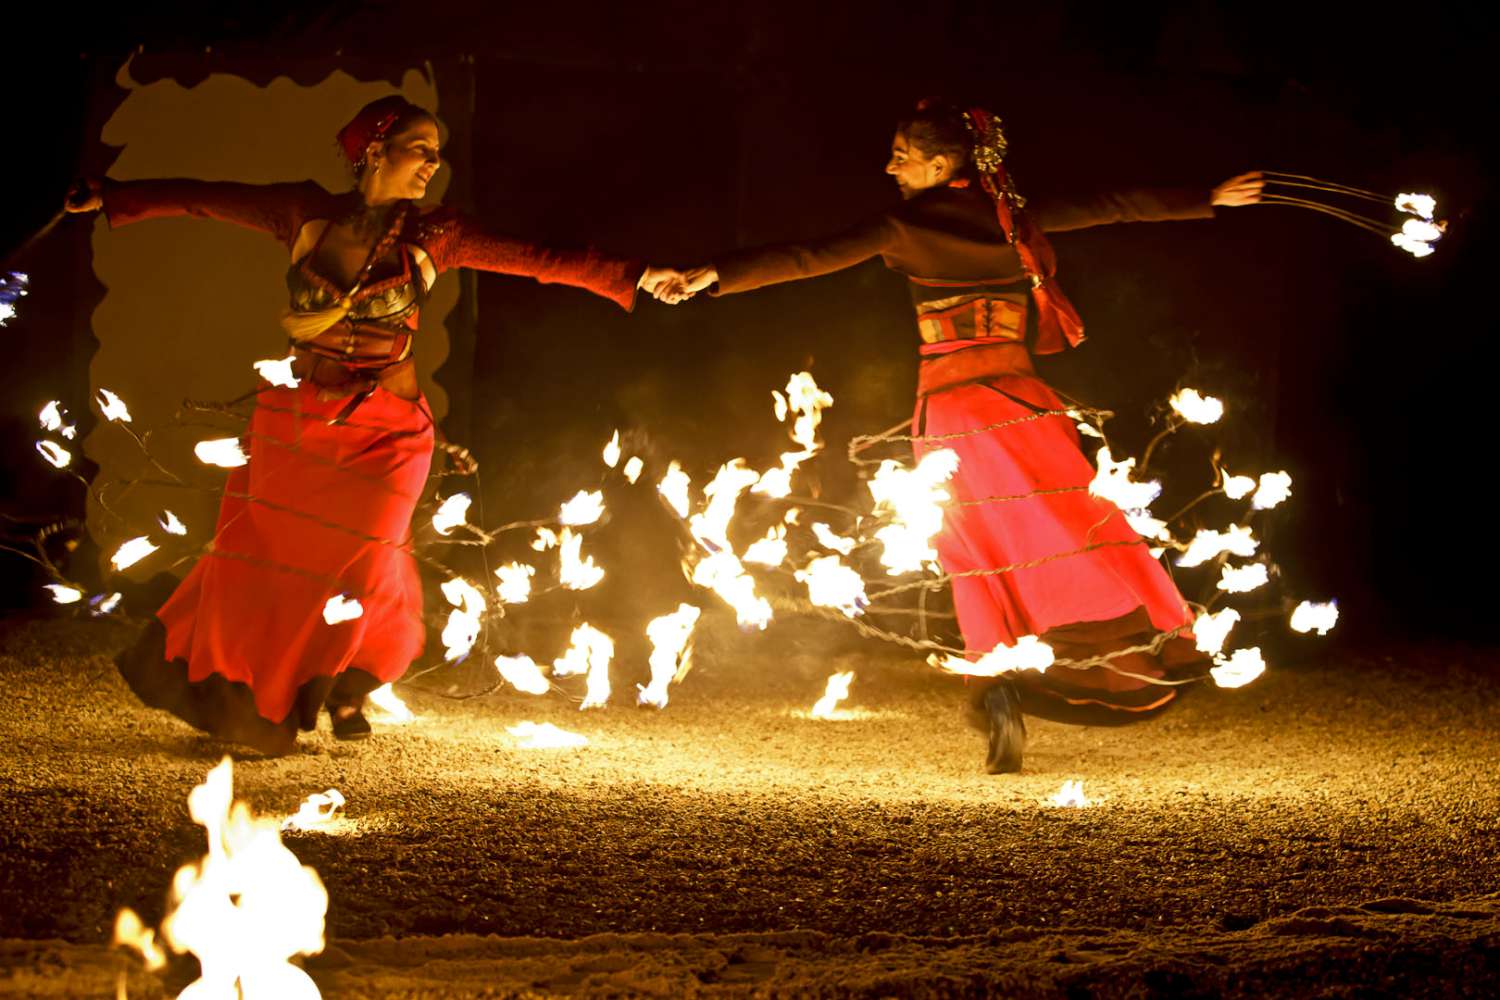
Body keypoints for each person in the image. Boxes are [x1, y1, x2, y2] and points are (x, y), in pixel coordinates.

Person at [71, 95, 690, 755]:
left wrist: (638, 275)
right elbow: (206, 197)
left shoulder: (437, 233)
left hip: (387, 434)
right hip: (297, 421)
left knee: (358, 558)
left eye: (437, 152)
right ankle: (292, 691)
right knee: (261, 562)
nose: (433, 162)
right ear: (374, 149)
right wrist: (114, 195)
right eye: (420, 147)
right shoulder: (303, 213)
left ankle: (317, 688)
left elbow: (539, 257)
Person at [674, 99, 1264, 773]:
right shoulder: (1013, 220)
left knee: (975, 549)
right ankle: (1117, 651)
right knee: (1075, 525)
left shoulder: (903, 228)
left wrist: (713, 273)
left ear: (941, 162)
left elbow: (810, 258)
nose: (888, 166)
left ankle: (997, 686)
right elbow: (1114, 204)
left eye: (901, 154)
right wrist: (1207, 196)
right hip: (1022, 407)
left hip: (952, 413)